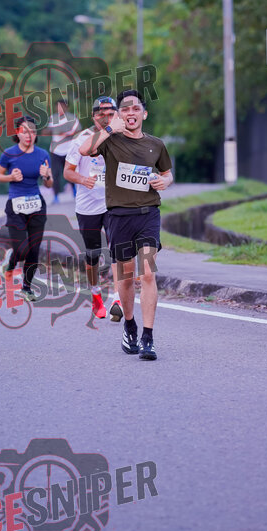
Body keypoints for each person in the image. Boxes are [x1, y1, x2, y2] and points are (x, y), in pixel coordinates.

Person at [79, 90, 173, 360]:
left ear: (144, 114)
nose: (131, 113)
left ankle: (148, 337)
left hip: (148, 214)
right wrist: (110, 127)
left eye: (135, 109)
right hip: (119, 217)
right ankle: (130, 326)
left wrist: (164, 182)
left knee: (148, 273)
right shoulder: (110, 140)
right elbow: (85, 150)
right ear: (120, 114)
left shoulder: (156, 144)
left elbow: (167, 174)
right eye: (125, 109)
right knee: (126, 276)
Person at [64, 96, 123, 321]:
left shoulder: (122, 137)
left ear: (116, 114)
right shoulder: (81, 140)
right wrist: (82, 179)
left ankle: (117, 298)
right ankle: (96, 293)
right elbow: (67, 172)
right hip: (88, 206)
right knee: (93, 255)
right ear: (93, 116)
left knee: (118, 249)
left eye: (110, 113)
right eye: (101, 114)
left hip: (113, 203)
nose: (106, 118)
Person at [0, 115, 53, 302]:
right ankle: (10, 262)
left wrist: (46, 176)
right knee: (21, 249)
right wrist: (11, 177)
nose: (29, 135)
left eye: (33, 132)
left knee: (34, 249)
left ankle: (26, 288)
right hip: (15, 205)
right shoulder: (9, 153)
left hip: (36, 204)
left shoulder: (43, 154)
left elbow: (50, 183)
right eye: (24, 131)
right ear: (17, 133)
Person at [46, 98, 80, 203]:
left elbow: (78, 131)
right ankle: (56, 196)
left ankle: (74, 192)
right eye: (58, 106)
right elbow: (49, 130)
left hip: (68, 150)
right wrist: (47, 131)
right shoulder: (53, 118)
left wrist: (66, 133)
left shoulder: (72, 118)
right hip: (55, 151)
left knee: (69, 172)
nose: (59, 108)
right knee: (55, 173)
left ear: (66, 107)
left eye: (62, 106)